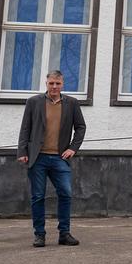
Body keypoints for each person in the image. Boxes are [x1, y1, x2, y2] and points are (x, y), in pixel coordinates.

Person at [17, 70, 86, 248]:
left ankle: (64, 233)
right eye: (51, 83)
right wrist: (22, 152)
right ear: (46, 84)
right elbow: (25, 128)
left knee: (66, 193)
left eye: (58, 83)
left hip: (59, 158)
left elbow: (80, 127)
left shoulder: (71, 103)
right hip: (37, 157)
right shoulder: (34, 102)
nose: (54, 87)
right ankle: (39, 235)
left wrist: (73, 148)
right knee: (38, 196)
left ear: (62, 84)